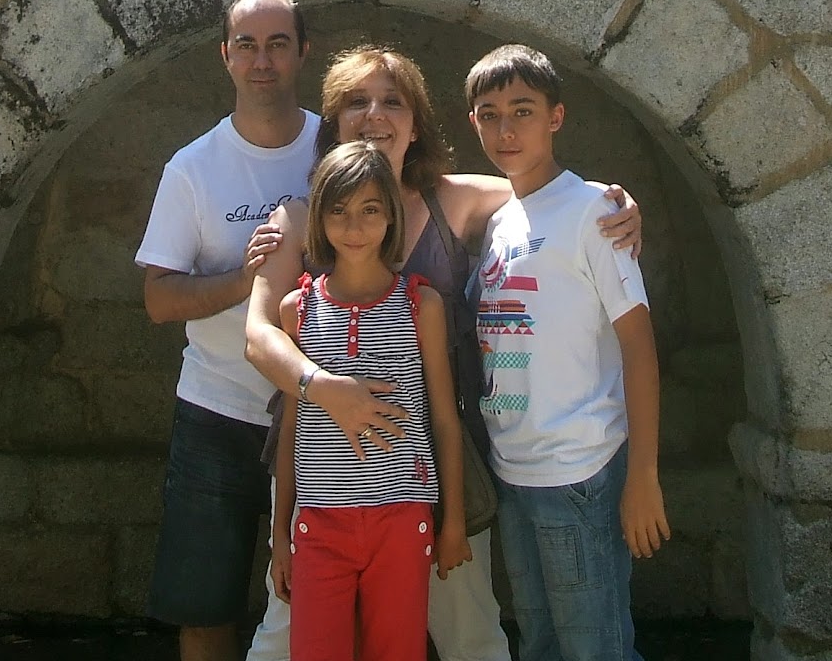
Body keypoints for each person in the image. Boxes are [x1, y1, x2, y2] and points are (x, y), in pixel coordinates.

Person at [244, 44, 643, 661]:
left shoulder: (454, 199)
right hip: (322, 459)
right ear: (333, 121)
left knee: (468, 629)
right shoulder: (299, 216)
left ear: (416, 123)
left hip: (432, 459)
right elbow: (259, 334)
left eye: (392, 102)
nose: (375, 115)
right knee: (284, 636)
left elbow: (549, 192)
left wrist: (616, 204)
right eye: (356, 101)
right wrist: (329, 391)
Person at [466, 44, 669, 661]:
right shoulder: (501, 222)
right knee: (542, 645)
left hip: (580, 468)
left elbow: (638, 347)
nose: (506, 129)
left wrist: (644, 476)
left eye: (522, 111)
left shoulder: (593, 212)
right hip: (514, 468)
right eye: (490, 114)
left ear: (556, 116)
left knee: (595, 649)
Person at [136, 0, 314, 661]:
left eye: (277, 44)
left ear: (303, 53)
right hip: (217, 411)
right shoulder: (193, 168)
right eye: (247, 45)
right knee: (204, 603)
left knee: (320, 597)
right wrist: (246, 281)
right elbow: (158, 299)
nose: (262, 61)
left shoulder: (335, 149)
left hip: (319, 414)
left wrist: (593, 200)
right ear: (226, 57)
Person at [270, 141, 471, 661]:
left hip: (403, 519)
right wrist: (280, 535)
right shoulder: (298, 309)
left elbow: (444, 420)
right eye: (338, 210)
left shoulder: (420, 304)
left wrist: (453, 522)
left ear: (391, 217)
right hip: (320, 523)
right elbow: (291, 430)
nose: (354, 226)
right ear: (319, 217)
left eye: (370, 210)